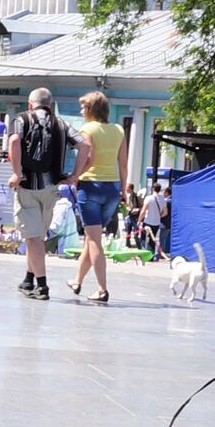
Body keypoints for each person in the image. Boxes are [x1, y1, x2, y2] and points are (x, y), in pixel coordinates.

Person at [7, 87, 68, 301]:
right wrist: (75, 175)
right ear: (50, 105)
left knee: (33, 238)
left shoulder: (21, 119)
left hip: (27, 187)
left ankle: (42, 286)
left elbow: (14, 142)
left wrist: (17, 173)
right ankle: (28, 279)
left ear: (30, 104)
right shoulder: (61, 124)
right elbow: (85, 145)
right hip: (51, 188)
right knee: (37, 238)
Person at [67, 91, 127, 301]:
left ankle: (102, 289)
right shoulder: (118, 130)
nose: (81, 111)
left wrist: (76, 176)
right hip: (112, 188)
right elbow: (123, 163)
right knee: (93, 238)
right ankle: (77, 280)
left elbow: (89, 159)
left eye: (83, 108)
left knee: (93, 240)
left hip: (91, 186)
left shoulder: (87, 129)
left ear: (91, 110)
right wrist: (123, 190)